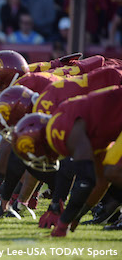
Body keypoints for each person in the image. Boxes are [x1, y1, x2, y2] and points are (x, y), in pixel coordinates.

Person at [12, 85, 122, 236]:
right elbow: (100, 181)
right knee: (110, 172)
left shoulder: (62, 128)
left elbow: (85, 181)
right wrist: (77, 216)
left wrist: (63, 222)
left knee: (114, 171)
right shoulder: (83, 127)